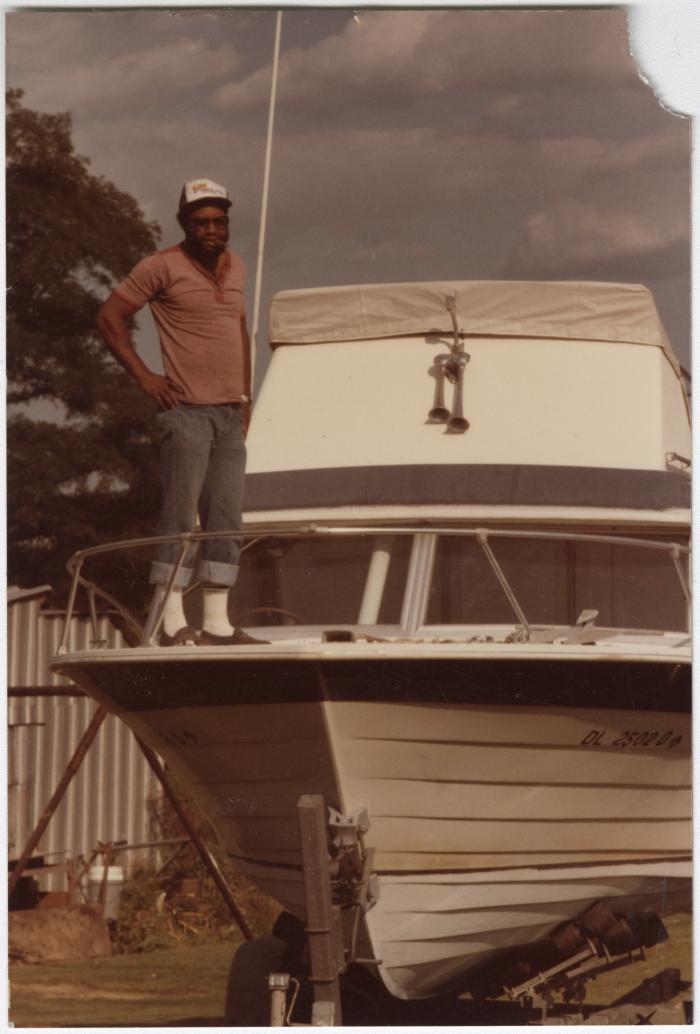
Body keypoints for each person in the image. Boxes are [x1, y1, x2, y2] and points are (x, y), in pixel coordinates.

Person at [97, 178, 264, 646]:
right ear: (185, 225)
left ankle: (216, 622)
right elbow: (109, 317)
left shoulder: (237, 266)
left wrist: (245, 397)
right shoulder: (161, 266)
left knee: (226, 517)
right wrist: (146, 377)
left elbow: (239, 330)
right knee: (179, 516)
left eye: (219, 221)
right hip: (186, 411)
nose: (212, 229)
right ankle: (171, 621)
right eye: (201, 222)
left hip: (230, 413)